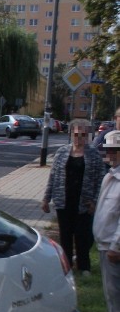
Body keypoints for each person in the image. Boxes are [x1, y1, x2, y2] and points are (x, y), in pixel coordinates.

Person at [41, 118, 104, 275]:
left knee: (83, 236)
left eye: (84, 135)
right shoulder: (62, 152)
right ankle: (66, 265)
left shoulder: (94, 154)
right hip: (63, 200)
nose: (80, 138)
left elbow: (100, 179)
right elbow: (53, 176)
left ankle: (84, 266)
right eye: (77, 134)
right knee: (65, 235)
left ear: (88, 136)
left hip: (84, 202)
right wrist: (46, 199)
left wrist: (95, 201)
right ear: (71, 134)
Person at [93, 130, 120, 312]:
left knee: (116, 293)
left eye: (114, 150)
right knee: (110, 294)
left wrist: (116, 246)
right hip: (105, 244)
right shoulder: (111, 174)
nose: (110, 153)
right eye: (109, 149)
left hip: (114, 248)